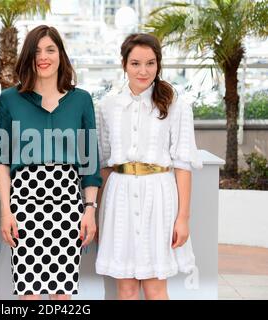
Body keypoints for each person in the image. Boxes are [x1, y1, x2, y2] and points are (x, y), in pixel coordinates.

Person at [0, 25, 102, 300]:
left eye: (50, 50)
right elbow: (2, 161)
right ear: (28, 57)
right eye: (37, 51)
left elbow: (90, 164)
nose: (43, 57)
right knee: (28, 294)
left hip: (67, 203)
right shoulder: (9, 99)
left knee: (62, 295)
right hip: (24, 204)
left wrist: (89, 210)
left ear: (61, 55)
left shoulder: (81, 100)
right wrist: (6, 212)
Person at [95, 33, 202, 300]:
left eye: (150, 63)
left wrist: (183, 218)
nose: (143, 71)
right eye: (135, 63)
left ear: (158, 64)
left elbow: (183, 164)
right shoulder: (107, 106)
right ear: (124, 65)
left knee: (155, 287)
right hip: (118, 199)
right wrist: (99, 214)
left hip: (159, 197)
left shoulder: (177, 105)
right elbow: (104, 165)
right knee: (126, 288)